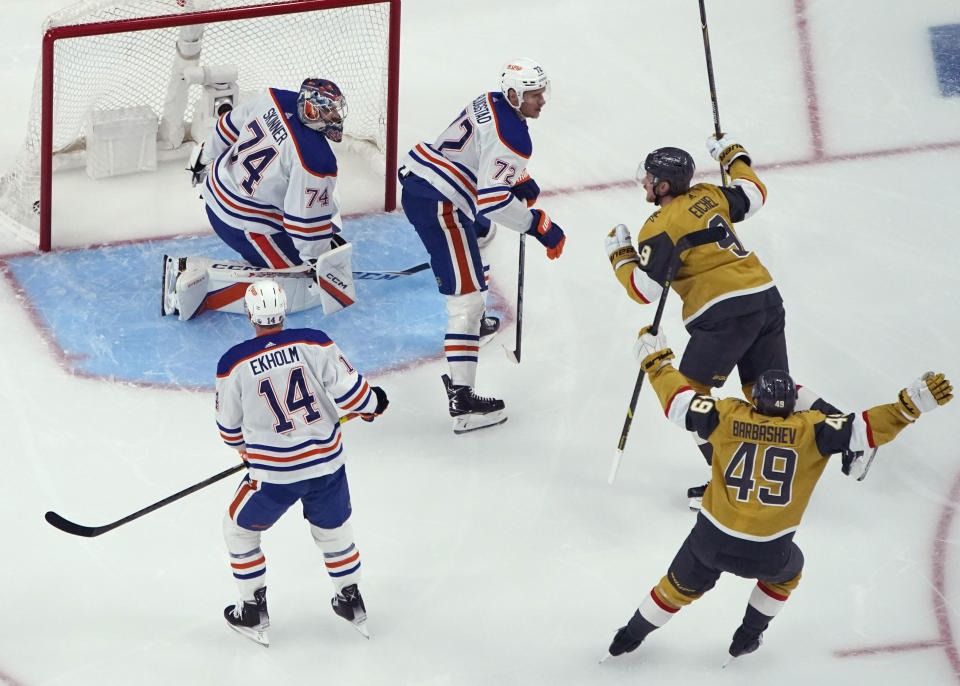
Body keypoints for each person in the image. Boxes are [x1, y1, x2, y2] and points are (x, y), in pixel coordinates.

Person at [604, 328, 953, 662]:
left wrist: (657, 363)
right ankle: (747, 636)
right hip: (769, 549)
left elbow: (680, 404)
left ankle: (629, 636)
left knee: (673, 589)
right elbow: (862, 430)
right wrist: (909, 407)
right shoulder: (811, 429)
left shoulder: (727, 415)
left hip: (711, 539)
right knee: (789, 570)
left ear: (755, 401)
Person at [604, 135, 851, 508]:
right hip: (765, 296)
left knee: (689, 396)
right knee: (766, 390)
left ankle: (729, 483)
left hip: (722, 313)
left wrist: (621, 256)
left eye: (650, 177)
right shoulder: (710, 194)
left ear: (664, 185)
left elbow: (645, 291)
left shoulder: (658, 225)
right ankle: (849, 437)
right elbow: (752, 193)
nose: (645, 182)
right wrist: (733, 154)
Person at [215, 279, 389, 646]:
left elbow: (229, 429)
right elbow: (353, 393)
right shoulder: (314, 340)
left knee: (239, 529)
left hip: (276, 476)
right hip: (327, 464)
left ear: (249, 314)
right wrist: (374, 405)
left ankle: (252, 609)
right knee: (334, 530)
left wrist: (247, 451)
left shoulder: (233, 363)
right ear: (284, 309)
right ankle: (351, 600)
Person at [398, 57, 567, 434]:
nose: (541, 101)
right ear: (513, 94)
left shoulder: (488, 99)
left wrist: (517, 177)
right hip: (441, 204)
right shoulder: (517, 138)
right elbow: (492, 201)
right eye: (533, 95)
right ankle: (463, 401)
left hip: (427, 180)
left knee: (481, 236)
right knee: (468, 301)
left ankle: (472, 331)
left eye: (542, 92)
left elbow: (481, 148)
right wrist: (537, 226)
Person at [162, 78, 356, 321]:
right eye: (328, 110)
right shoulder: (315, 159)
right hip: (241, 225)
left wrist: (202, 157)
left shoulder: (274, 98)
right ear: (309, 109)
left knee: (319, 205)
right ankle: (195, 283)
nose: (335, 116)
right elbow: (304, 225)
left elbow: (227, 127)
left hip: (215, 189)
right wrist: (315, 263)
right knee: (298, 275)